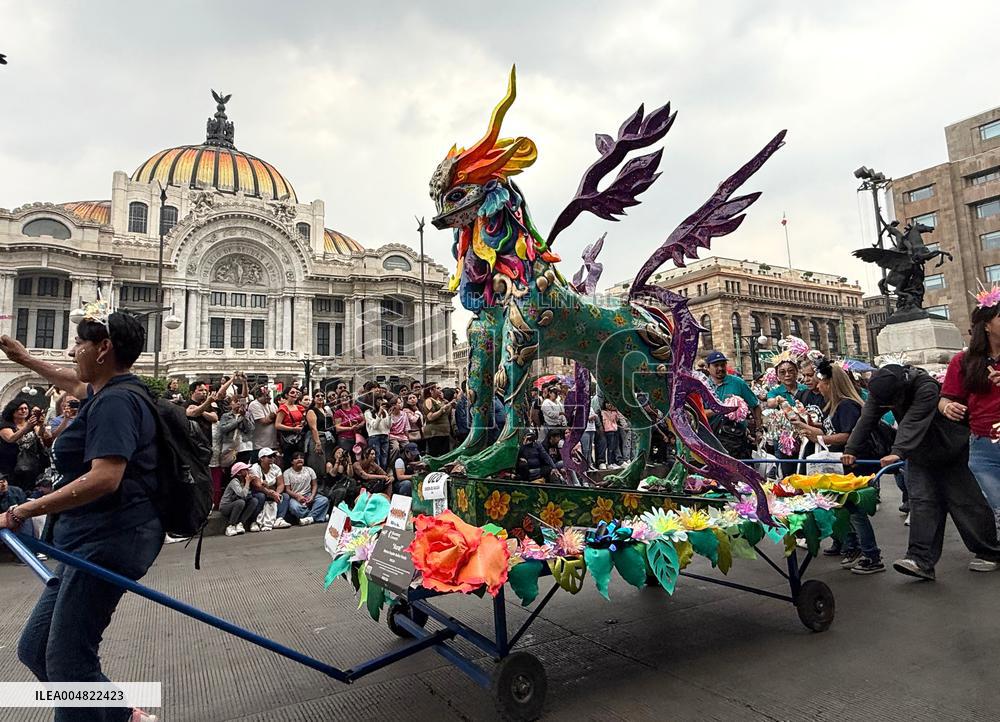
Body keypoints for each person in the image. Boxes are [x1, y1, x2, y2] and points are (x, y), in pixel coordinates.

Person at [0, 313, 162, 722]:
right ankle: (123, 714)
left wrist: (24, 508)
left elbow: (105, 478)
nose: (73, 351)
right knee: (35, 650)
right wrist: (22, 357)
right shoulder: (109, 389)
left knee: (69, 664)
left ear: (103, 349)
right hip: (85, 542)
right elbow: (72, 381)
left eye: (79, 344)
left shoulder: (117, 402)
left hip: (108, 541)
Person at [845, 364, 1000, 580]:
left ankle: (989, 551)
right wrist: (851, 449)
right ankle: (920, 560)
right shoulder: (881, 389)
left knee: (966, 502)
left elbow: (913, 420)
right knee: (922, 503)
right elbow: (867, 417)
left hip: (951, 449)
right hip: (920, 454)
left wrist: (898, 451)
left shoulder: (925, 386)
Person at [794, 359, 883, 575]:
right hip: (842, 466)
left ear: (830, 383)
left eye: (821, 382)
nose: (818, 386)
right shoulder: (833, 407)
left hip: (854, 465)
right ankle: (853, 547)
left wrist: (824, 439)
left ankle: (871, 554)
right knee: (845, 509)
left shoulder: (847, 405)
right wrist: (807, 428)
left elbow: (848, 434)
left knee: (856, 511)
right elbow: (829, 431)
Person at [940, 295, 1000, 528]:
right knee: (996, 507)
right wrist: (947, 407)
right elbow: (946, 398)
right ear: (986, 325)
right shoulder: (963, 361)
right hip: (983, 447)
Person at [704, 350, 761, 459]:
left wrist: (758, 429)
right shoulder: (703, 386)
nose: (720, 368)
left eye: (722, 365)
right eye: (716, 365)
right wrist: (720, 409)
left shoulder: (738, 382)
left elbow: (755, 405)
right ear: (707, 367)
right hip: (711, 438)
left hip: (736, 439)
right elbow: (699, 413)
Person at [0, 399, 49, 493]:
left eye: (26, 408)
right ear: (13, 411)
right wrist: (27, 427)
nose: (24, 411)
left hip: (32, 464)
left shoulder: (32, 424)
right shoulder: (5, 426)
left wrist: (41, 424)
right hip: (12, 466)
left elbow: (40, 435)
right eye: (20, 409)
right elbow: (11, 438)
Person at [249, 447, 291, 530]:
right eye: (269, 456)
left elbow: (281, 484)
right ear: (261, 458)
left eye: (273, 456)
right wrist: (270, 493)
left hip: (272, 492)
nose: (272, 458)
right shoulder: (255, 468)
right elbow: (257, 485)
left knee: (285, 496)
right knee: (261, 496)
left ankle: (279, 519)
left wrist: (277, 493)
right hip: (258, 492)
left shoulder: (276, 468)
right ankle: (254, 521)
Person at [283, 452, 329, 525]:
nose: (299, 459)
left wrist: (312, 496)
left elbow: (315, 485)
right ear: (292, 462)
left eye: (301, 458)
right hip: (295, 496)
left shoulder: (309, 470)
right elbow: (287, 490)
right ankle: (318, 516)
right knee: (294, 508)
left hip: (309, 494)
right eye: (296, 458)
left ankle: (310, 518)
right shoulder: (287, 473)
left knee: (324, 500)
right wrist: (297, 496)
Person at [219, 461, 261, 537]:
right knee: (240, 502)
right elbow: (242, 495)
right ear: (239, 473)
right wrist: (248, 482)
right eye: (245, 469)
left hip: (238, 505)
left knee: (254, 501)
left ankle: (240, 523)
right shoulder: (234, 482)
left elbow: (249, 495)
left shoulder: (244, 481)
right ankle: (230, 525)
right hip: (226, 507)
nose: (248, 471)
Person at [422, 382, 454, 456]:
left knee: (445, 455)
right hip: (435, 433)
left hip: (444, 432)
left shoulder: (441, 401)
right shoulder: (429, 400)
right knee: (435, 454)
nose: (440, 390)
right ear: (431, 390)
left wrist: (448, 404)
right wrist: (441, 409)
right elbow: (430, 417)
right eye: (438, 388)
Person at [274, 386, 306, 461]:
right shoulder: (283, 408)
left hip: (299, 437)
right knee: (290, 459)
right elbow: (277, 425)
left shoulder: (299, 407)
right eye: (292, 392)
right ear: (286, 395)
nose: (295, 394)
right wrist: (293, 428)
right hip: (288, 439)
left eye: (296, 393)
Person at [247, 385, 279, 455]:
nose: (270, 397)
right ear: (259, 396)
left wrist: (273, 417)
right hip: (260, 445)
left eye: (269, 394)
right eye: (266, 395)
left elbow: (278, 421)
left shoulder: (273, 405)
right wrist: (273, 417)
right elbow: (264, 421)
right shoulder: (254, 405)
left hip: (273, 443)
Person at [364, 397, 392, 469]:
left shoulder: (385, 411)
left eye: (381, 400)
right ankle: (377, 478)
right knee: (376, 458)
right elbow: (374, 426)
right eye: (378, 400)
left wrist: (389, 415)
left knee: (384, 459)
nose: (381, 402)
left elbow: (389, 426)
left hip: (385, 436)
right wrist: (379, 413)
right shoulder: (368, 412)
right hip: (374, 437)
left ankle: (383, 477)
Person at [600, 400, 624, 467]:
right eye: (608, 403)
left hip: (615, 429)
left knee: (614, 446)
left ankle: (613, 462)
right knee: (610, 447)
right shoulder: (603, 412)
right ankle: (609, 462)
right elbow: (607, 419)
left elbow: (617, 419)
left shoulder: (614, 412)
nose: (610, 404)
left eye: (611, 403)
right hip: (608, 430)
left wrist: (616, 410)